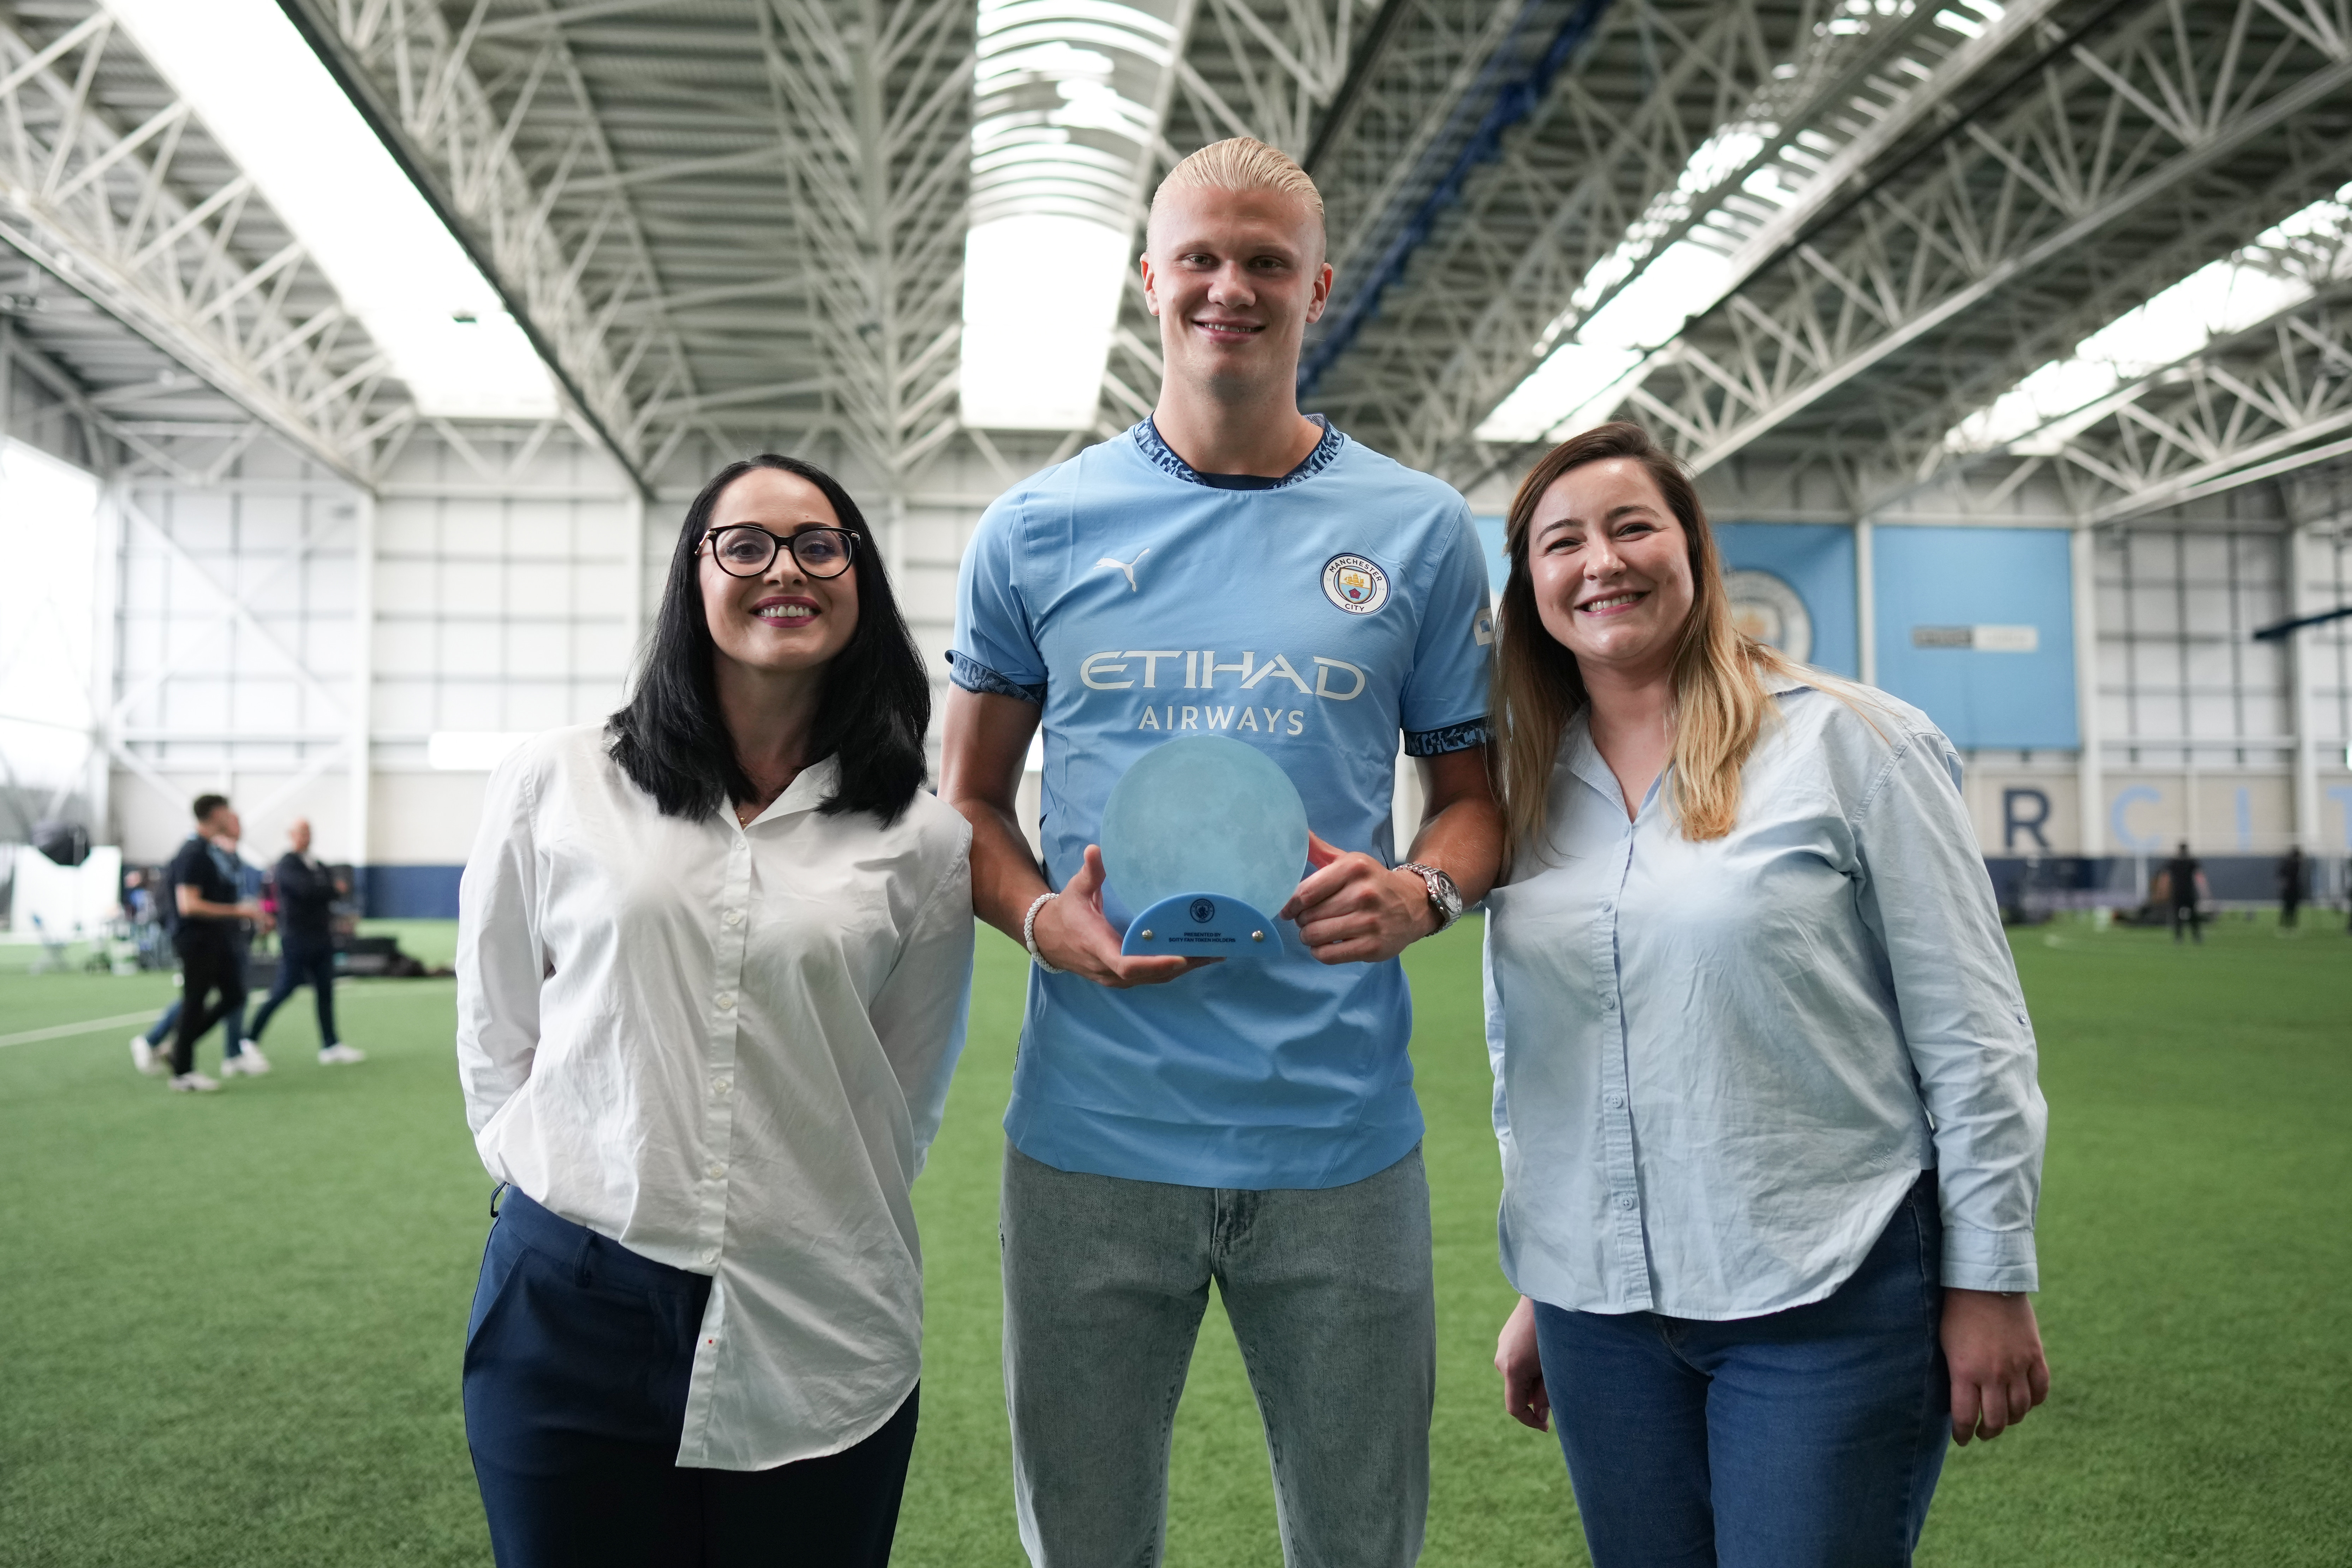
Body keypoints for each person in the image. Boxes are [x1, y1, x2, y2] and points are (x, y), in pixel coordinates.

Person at [941, 137, 1501, 1568]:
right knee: (1086, 1547)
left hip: (1339, 1141)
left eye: (1265, 261)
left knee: (1361, 1547)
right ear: (1150, 281)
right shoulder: (1036, 528)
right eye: (1199, 257)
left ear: (1319, 287)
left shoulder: (1420, 531)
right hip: (1090, 1140)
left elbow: (1476, 802)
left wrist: (1423, 890)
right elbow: (969, 806)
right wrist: (1040, 921)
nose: (1229, 288)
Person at [1482, 423, 2050, 1568]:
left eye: (1631, 527)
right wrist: (1553, 1277)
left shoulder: (1854, 744)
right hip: (1599, 1318)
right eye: (1562, 542)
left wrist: (1990, 1276)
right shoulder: (1523, 785)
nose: (1600, 562)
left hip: (1824, 1291)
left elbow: (1973, 1034)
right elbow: (1540, 1054)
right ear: (1529, 587)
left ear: (1692, 549)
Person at [455, 453, 972, 1568]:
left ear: (860, 580)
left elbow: (900, 1094)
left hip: (820, 1310)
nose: (784, 569)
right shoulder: (558, 778)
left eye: (818, 545)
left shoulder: (925, 839)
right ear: (694, 578)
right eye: (745, 545)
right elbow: (497, 1021)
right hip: (571, 1300)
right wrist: (555, 1181)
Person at [134, 795, 271, 1093]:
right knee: (194, 1001)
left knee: (234, 995)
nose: (232, 817)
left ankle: (178, 1049)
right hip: (196, 939)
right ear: (215, 814)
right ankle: (182, 1071)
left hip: (215, 938)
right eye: (227, 812)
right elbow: (189, 904)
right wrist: (239, 911)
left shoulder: (211, 851)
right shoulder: (193, 852)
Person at [243, 818, 364, 1066]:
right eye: (301, 833)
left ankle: (331, 1045)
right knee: (284, 989)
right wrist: (330, 889)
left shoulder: (317, 864)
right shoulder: (287, 864)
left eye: (309, 832)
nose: (306, 837)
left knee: (325, 991)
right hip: (297, 938)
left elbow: (334, 888)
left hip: (322, 938)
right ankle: (249, 1039)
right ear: (292, 835)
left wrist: (328, 888)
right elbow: (308, 891)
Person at [2165, 841, 2207, 943]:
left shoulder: (2173, 862)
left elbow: (2166, 878)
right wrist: (2205, 891)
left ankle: (2179, 937)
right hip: (2189, 892)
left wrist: (2165, 891)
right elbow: (2199, 877)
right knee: (2193, 915)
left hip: (2177, 892)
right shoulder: (2191, 861)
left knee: (2177, 915)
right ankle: (2196, 937)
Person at [2278, 843, 2306, 931]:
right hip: (2293, 888)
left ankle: (2286, 924)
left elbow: (2281, 874)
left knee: (2288, 907)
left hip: (2290, 888)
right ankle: (2289, 924)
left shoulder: (2288, 863)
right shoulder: (2294, 864)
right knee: (2291, 907)